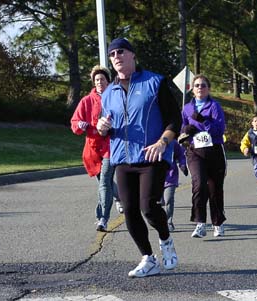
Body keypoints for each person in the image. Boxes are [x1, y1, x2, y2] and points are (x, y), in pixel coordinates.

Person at [96, 38, 182, 278]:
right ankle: (148, 258)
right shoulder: (108, 93)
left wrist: (163, 142)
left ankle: (165, 240)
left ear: (132, 55)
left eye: (120, 51)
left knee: (148, 207)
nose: (116, 56)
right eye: (112, 54)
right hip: (122, 159)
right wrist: (103, 127)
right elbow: (107, 125)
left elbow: (175, 119)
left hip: (152, 155)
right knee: (130, 210)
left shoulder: (155, 82)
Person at [70, 65, 121, 232]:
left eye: (103, 79)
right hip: (92, 149)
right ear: (94, 82)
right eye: (97, 80)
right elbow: (74, 122)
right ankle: (120, 197)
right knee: (103, 183)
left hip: (110, 146)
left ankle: (103, 219)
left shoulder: (116, 98)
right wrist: (81, 124)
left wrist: (112, 128)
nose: (100, 82)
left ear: (108, 81)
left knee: (105, 181)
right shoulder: (86, 100)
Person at [179, 74, 227, 238]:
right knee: (199, 185)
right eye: (197, 85)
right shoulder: (187, 108)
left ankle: (218, 223)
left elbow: (219, 129)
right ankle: (200, 223)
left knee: (215, 189)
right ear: (192, 89)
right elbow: (181, 130)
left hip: (214, 150)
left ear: (208, 88)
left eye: (203, 85)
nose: (200, 88)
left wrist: (202, 121)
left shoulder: (214, 106)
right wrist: (186, 131)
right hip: (195, 151)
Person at [160, 140, 188, 232]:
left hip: (171, 176)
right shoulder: (150, 139)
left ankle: (168, 222)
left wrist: (182, 164)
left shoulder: (172, 142)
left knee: (168, 199)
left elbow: (181, 154)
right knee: (159, 202)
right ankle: (159, 221)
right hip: (156, 177)